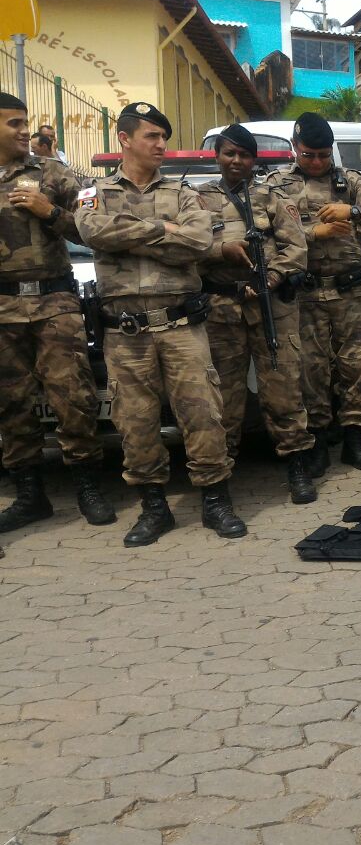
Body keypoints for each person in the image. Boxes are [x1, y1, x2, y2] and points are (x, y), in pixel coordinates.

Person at [76, 102, 244, 545]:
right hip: (125, 331)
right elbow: (94, 232)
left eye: (162, 136)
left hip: (180, 325)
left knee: (203, 412)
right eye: (152, 135)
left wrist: (134, 235)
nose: (160, 144)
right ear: (125, 139)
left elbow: (198, 240)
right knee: (135, 421)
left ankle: (215, 499)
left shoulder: (186, 194)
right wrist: (162, 230)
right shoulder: (95, 193)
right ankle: (154, 507)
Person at [0, 91, 114, 536]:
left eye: (26, 122)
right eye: (13, 124)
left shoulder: (53, 173)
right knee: (11, 404)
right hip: (3, 306)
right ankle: (30, 496)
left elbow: (94, 226)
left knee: (75, 397)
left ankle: (88, 485)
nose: (25, 130)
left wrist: (51, 213)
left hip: (55, 303)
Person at [195, 124, 315, 505]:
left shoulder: (271, 196)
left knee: (283, 388)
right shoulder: (197, 200)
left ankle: (296, 464)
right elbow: (190, 248)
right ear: (217, 155)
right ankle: (223, 475)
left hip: (271, 307)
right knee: (224, 397)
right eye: (229, 153)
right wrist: (220, 253)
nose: (236, 161)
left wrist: (274, 277)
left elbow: (296, 246)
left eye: (244, 155)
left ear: (254, 159)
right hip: (221, 310)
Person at [266, 112, 361, 475]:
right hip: (305, 293)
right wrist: (313, 232)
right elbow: (269, 237)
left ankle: (354, 438)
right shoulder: (277, 184)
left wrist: (353, 211)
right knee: (312, 370)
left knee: (356, 365)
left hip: (350, 291)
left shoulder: (349, 181)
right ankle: (319, 440)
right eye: (309, 155)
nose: (318, 162)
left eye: (324, 154)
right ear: (294, 148)